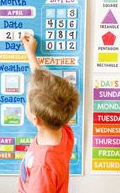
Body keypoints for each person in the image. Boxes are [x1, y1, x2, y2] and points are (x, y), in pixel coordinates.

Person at [18, 33, 79, 193]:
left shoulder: (43, 166)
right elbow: (43, 92)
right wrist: (30, 54)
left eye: (26, 101)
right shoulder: (63, 130)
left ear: (35, 119)